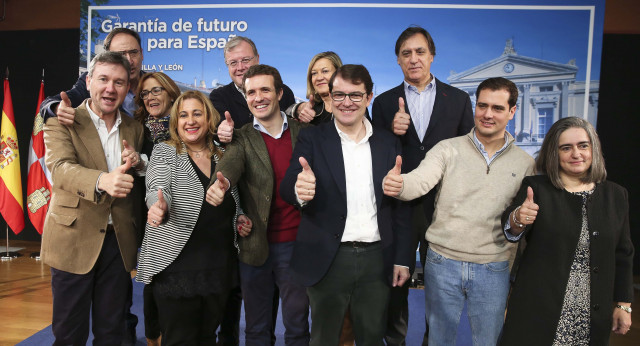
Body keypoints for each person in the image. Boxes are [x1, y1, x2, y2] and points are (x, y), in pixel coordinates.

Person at [383, 77, 535, 345]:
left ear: (512, 111)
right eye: (483, 105)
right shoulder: (447, 149)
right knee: (439, 340)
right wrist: (399, 185)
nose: (488, 114)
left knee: (488, 341)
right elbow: (419, 180)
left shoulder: (526, 164)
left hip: (494, 266)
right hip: (443, 263)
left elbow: (520, 218)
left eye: (498, 108)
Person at [280, 64, 412, 346]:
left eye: (355, 95)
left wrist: (402, 257)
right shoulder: (312, 137)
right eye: (339, 95)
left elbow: (400, 208)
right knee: (324, 339)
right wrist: (300, 189)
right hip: (328, 258)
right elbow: (289, 183)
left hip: (377, 259)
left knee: (371, 338)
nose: (346, 103)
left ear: (369, 97)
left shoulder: (388, 143)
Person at [371, 25, 474, 346]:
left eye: (419, 52)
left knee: (442, 287)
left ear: (432, 57)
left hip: (443, 207)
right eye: (406, 54)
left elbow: (469, 151)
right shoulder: (385, 103)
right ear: (398, 61)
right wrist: (391, 130)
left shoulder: (457, 99)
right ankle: (395, 341)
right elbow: (375, 152)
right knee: (395, 283)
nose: (413, 59)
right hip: (398, 205)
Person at [499, 117, 634, 345]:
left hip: (591, 313)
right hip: (538, 309)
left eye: (583, 145)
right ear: (554, 153)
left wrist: (624, 305)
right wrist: (518, 219)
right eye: (566, 148)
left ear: (594, 148)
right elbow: (512, 228)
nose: (576, 154)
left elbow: (623, 254)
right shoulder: (536, 188)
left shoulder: (616, 195)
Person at [41, 51, 145, 345]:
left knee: (112, 331)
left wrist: (138, 163)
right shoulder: (63, 118)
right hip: (73, 238)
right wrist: (103, 180)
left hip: (117, 244)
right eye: (103, 79)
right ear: (88, 82)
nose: (110, 88)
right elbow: (60, 169)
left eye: (119, 82)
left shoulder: (134, 128)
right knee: (69, 333)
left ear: (127, 88)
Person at [207, 64, 310, 346]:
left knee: (298, 328)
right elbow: (229, 165)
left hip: (297, 246)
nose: (258, 97)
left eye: (265, 89)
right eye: (251, 92)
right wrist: (221, 184)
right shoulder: (241, 137)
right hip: (255, 246)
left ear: (279, 93)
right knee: (255, 330)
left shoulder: (305, 134)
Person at [135, 90, 247, 345]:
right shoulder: (165, 152)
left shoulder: (224, 153)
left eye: (197, 113)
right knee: (180, 340)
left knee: (207, 337)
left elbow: (234, 199)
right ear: (176, 122)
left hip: (219, 264)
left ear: (209, 118)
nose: (190, 121)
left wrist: (240, 217)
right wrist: (157, 207)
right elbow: (156, 189)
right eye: (183, 115)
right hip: (177, 266)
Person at [132, 71, 181, 345]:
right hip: (152, 217)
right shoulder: (137, 129)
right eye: (145, 93)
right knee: (153, 282)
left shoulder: (187, 124)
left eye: (156, 90)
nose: (150, 97)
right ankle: (154, 338)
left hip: (186, 216)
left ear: (171, 92)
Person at [40, 27, 145, 124]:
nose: (129, 60)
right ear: (108, 57)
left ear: (142, 54)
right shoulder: (94, 80)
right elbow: (47, 104)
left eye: (133, 53)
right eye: (121, 55)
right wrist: (57, 108)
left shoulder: (155, 82)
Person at [286, 51, 343, 124]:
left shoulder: (354, 107)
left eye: (325, 71)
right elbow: (282, 115)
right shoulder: (310, 110)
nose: (319, 78)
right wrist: (298, 109)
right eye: (314, 73)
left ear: (339, 74)